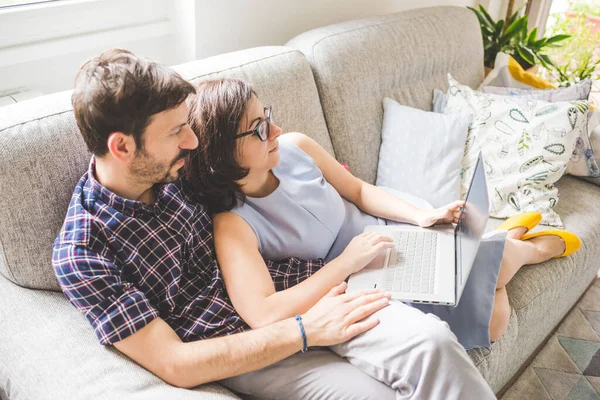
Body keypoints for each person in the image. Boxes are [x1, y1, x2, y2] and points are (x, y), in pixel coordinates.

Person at [185, 78, 583, 398]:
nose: (276, 129)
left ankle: (521, 247)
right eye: (258, 129)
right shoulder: (232, 223)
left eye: (266, 115)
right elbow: (264, 314)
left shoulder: (296, 148)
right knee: (493, 323)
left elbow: (358, 190)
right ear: (224, 153)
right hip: (360, 278)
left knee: (479, 271)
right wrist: (346, 264)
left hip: (388, 234)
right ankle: (511, 237)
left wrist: (421, 216)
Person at [51, 49, 397, 396]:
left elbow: (263, 163)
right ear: (123, 147)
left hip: (300, 287)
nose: (193, 141)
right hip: (247, 346)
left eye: (188, 124)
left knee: (427, 343)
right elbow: (175, 362)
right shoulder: (83, 253)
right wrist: (305, 329)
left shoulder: (179, 165)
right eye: (176, 132)